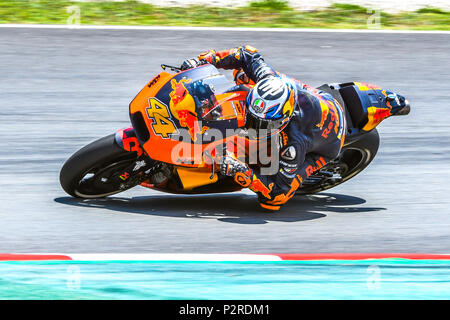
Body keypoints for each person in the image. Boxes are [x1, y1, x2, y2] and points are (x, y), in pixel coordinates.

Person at [181, 45, 346, 211]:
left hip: (329, 142)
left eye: (261, 124)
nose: (251, 126)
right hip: (317, 97)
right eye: (252, 119)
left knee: (271, 200)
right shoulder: (268, 78)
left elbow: (276, 194)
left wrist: (244, 172)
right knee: (243, 77)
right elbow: (246, 53)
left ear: (282, 121)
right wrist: (204, 60)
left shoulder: (295, 144)